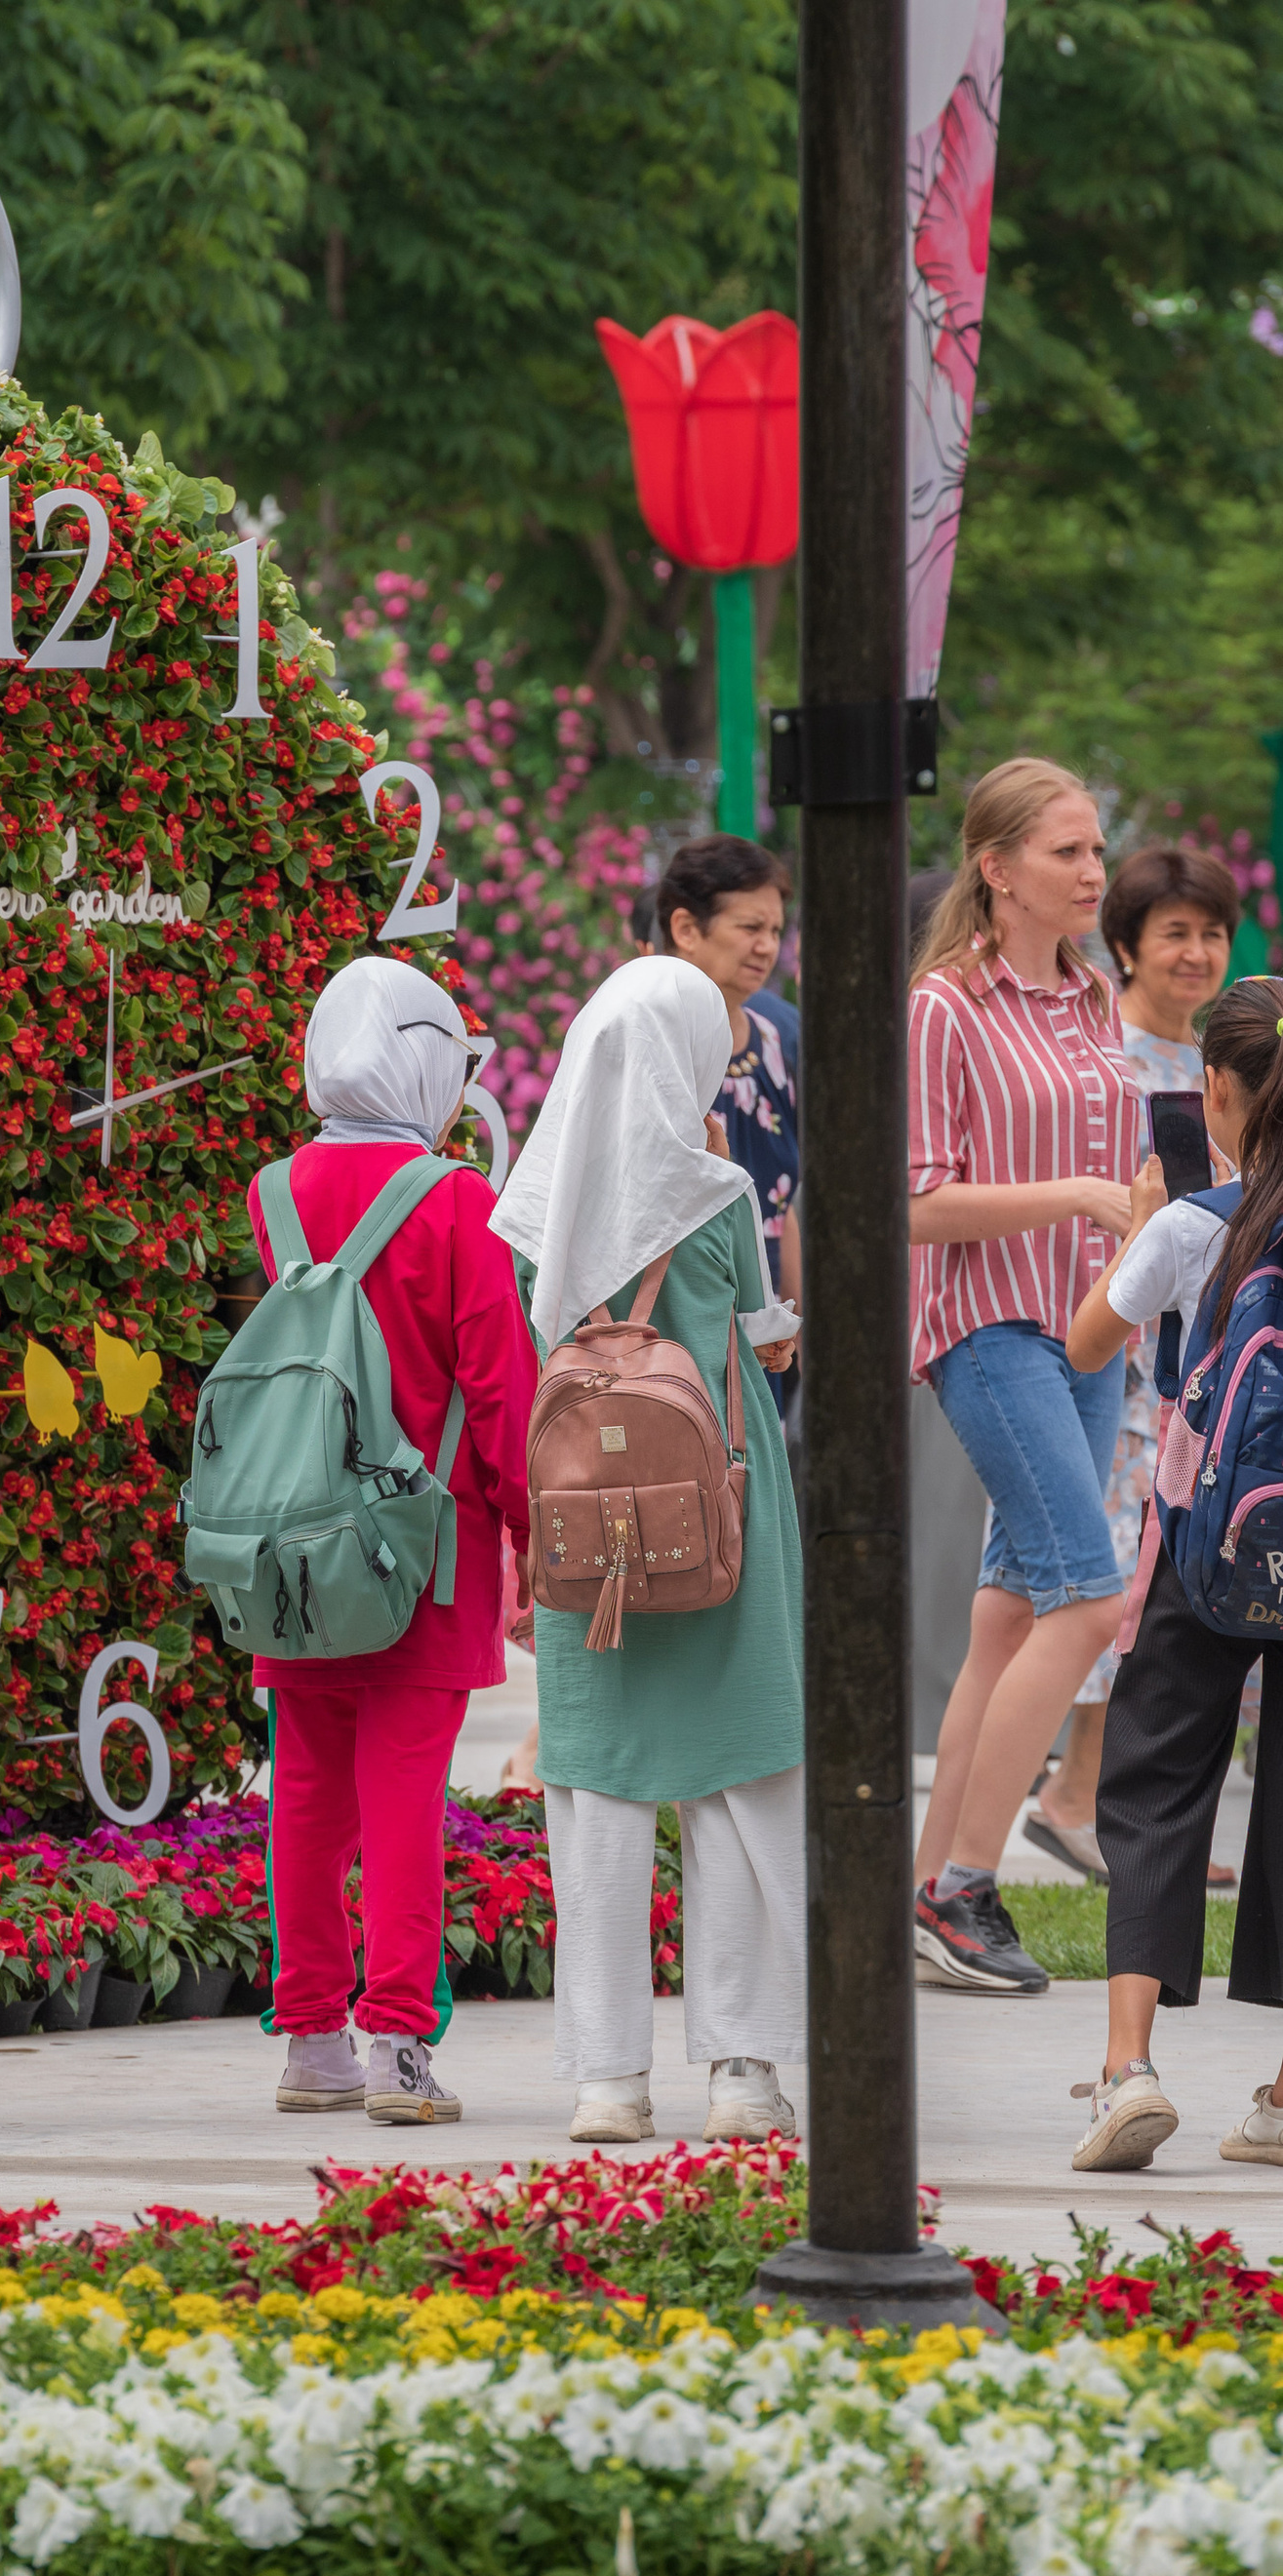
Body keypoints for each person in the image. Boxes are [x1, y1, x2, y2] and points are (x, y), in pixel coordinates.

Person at [490, 954, 804, 2147]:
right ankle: (739, 2071)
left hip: (587, 1528)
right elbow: (759, 1331)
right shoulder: (714, 1189)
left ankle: (606, 2081)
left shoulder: (532, 1198)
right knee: (736, 1784)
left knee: (601, 1798)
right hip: (713, 1512)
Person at [247, 959, 534, 2128]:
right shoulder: (455, 1199)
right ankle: (399, 2047)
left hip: (292, 1540)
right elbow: (497, 1384)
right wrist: (533, 1532)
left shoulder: (275, 1189)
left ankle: (310, 2038)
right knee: (407, 1795)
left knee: (307, 1791)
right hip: (427, 1547)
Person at [907, 757, 1144, 1995]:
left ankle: (932, 1882)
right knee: (1087, 1604)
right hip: (990, 1332)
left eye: (1095, 848)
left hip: (1091, 1335)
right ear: (996, 869)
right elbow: (912, 1204)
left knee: (1008, 1620)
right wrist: (1074, 1196)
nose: (1092, 871)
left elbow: (1116, 1189)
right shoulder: (944, 1004)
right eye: (1065, 851)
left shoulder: (1095, 999)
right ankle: (962, 1889)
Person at [1070, 977, 1283, 2173]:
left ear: (1214, 1090)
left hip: (1205, 1547)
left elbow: (1085, 1342)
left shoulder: (1192, 1222)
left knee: (1153, 1784)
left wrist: (1143, 1220)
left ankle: (1126, 2067)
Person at [1028, 839, 1238, 1882]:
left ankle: (1124, 1809)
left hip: (1216, 1374)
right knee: (1121, 1580)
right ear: (1125, 948)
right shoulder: (1107, 1068)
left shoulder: (1232, 1068)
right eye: (1173, 934)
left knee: (1167, 1575)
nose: (1194, 954)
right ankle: (1080, 1795)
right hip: (1122, 1364)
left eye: (1209, 934)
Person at [648, 835, 802, 1317]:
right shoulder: (648, 1042)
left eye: (776, 930)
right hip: (670, 1332)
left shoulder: (777, 1042)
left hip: (762, 1334)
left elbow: (780, 1208)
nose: (767, 947)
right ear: (687, 928)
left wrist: (789, 1321)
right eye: (751, 927)